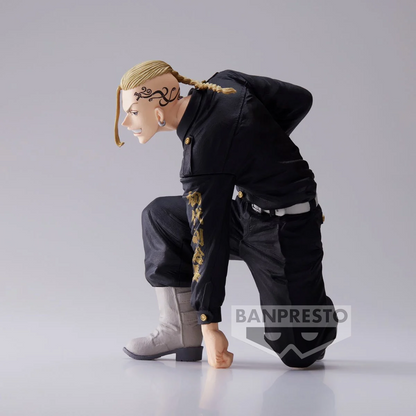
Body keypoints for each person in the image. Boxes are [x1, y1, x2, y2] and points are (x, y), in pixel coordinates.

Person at [114, 60, 338, 369]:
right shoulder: (224, 82)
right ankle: (180, 329)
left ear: (159, 112)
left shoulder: (203, 154)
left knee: (299, 350)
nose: (127, 123)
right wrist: (251, 151)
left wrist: (211, 326)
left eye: (133, 112)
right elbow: (299, 98)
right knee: (161, 217)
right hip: (247, 212)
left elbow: (208, 240)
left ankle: (310, 302)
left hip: (288, 230)